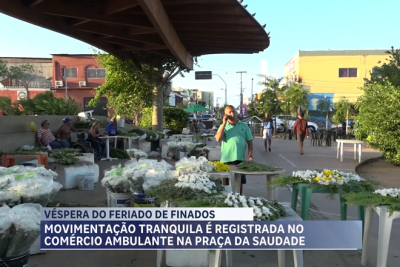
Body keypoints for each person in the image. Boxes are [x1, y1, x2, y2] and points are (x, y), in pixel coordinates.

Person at [215, 105, 253, 195]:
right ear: (226, 115)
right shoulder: (223, 126)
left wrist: (250, 155)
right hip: (226, 160)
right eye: (230, 112)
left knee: (239, 183)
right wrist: (224, 124)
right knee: (226, 184)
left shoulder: (243, 125)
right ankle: (227, 201)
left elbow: (250, 141)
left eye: (234, 111)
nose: (232, 114)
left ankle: (239, 199)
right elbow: (218, 139)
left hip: (240, 159)